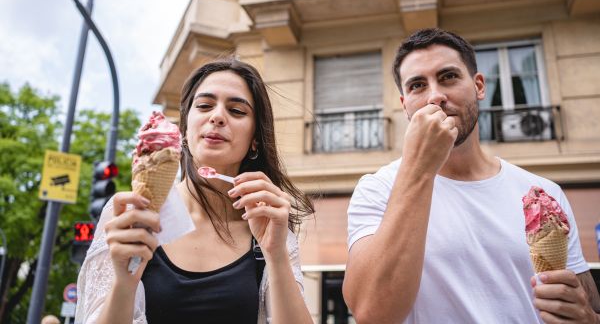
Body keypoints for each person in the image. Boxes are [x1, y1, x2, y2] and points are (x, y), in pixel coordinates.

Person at [343, 28, 600, 323]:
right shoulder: (377, 189)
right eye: (417, 85)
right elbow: (371, 313)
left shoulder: (543, 193)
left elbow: (589, 308)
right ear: (405, 106)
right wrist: (419, 168)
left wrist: (588, 319)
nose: (435, 96)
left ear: (479, 86)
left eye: (448, 77)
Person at [75, 59, 315, 323]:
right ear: (185, 129)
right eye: (204, 106)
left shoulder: (269, 225)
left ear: (255, 138)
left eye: (236, 110)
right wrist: (124, 283)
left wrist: (277, 255)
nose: (217, 116)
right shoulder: (130, 216)